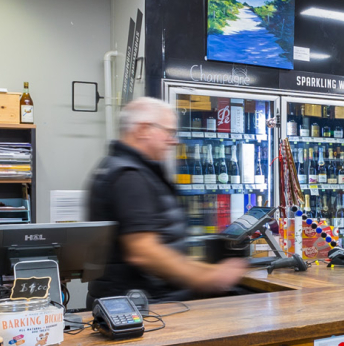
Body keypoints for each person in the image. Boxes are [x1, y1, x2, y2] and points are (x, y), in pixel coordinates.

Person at [87, 97, 246, 305]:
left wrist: (210, 270)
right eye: (169, 132)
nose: (174, 141)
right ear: (143, 130)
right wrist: (207, 277)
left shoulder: (122, 167)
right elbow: (144, 252)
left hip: (135, 301)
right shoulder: (129, 175)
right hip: (141, 307)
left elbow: (162, 246)